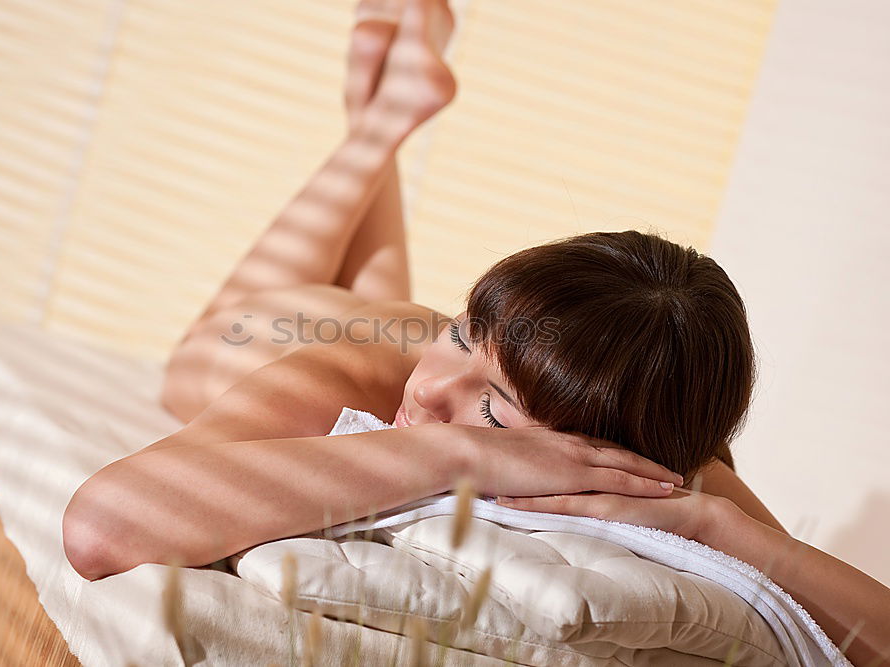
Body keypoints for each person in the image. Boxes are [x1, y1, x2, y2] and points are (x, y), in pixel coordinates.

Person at [61, 1, 890, 662]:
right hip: (307, 332)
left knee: (399, 312)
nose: (433, 389)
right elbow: (101, 526)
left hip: (431, 331)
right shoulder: (354, 378)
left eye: (496, 411)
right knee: (192, 360)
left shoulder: (656, 459)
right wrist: (469, 446)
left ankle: (387, 105)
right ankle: (378, 127)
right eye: (463, 337)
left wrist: (716, 527)